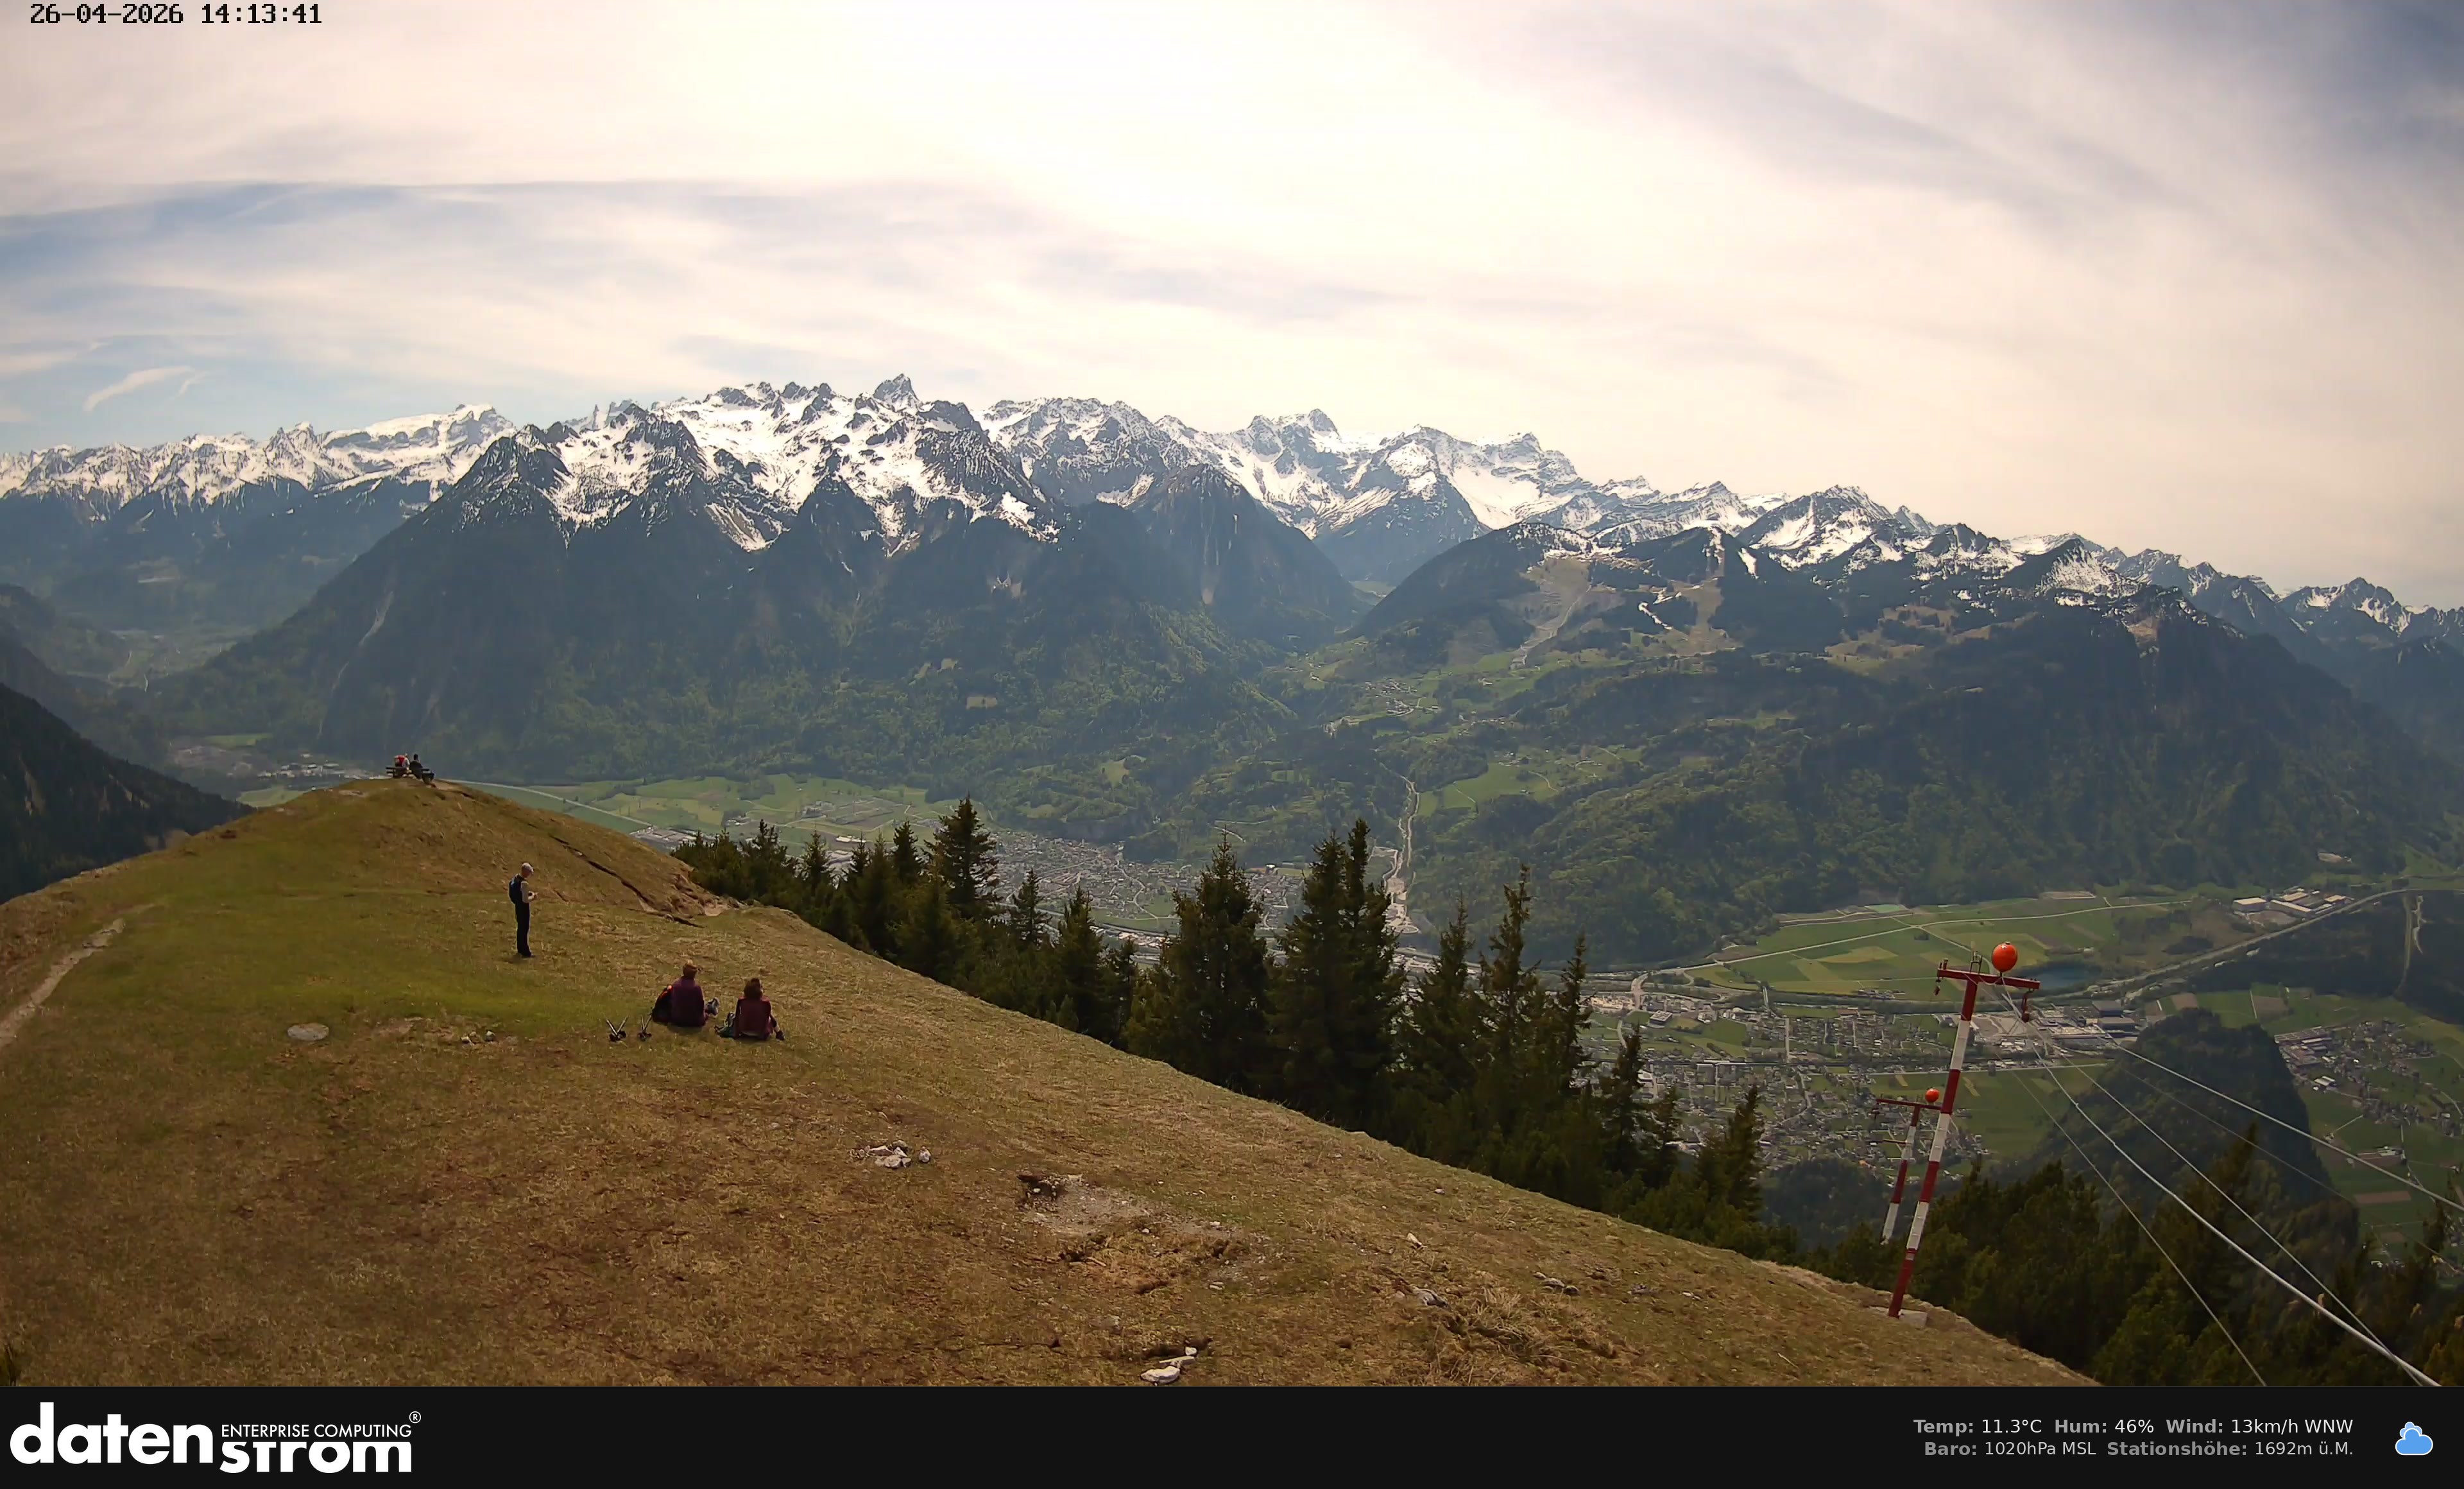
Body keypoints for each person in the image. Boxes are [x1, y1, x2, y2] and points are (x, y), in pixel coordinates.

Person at [723, 977, 778, 1041]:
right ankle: (778, 1032)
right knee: (770, 1017)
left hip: (744, 1032)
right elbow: (767, 1018)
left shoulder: (742, 1001)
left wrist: (737, 1033)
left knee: (733, 1016)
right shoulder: (765, 1003)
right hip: (759, 1034)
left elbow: (737, 1017)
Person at [654, 963, 707, 1028]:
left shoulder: (676, 985)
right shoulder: (697, 988)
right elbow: (701, 1006)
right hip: (696, 1022)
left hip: (677, 1020)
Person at [508, 863, 533, 958]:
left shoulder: (514, 880)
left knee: (520, 928)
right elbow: (526, 900)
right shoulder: (524, 883)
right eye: (529, 872)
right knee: (524, 928)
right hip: (524, 908)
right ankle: (525, 952)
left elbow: (515, 894)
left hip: (518, 906)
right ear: (526, 872)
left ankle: (520, 949)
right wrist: (533, 897)